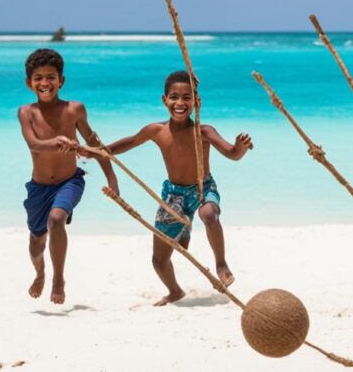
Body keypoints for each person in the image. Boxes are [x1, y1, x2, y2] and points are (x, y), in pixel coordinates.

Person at [89, 71, 252, 306]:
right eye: (174, 97)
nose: (180, 103)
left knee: (208, 214)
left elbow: (232, 154)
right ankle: (175, 290)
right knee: (159, 260)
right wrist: (97, 151)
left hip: (202, 188)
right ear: (164, 100)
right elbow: (130, 142)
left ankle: (221, 263)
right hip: (173, 195)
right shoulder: (156, 130)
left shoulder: (203, 132)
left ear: (196, 102)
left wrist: (240, 147)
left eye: (187, 97)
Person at [18, 48, 117, 305]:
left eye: (51, 77)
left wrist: (112, 180)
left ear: (61, 80)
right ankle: (40, 272)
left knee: (57, 219)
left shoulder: (75, 109)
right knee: (36, 245)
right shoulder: (26, 112)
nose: (45, 83)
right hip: (39, 188)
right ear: (29, 83)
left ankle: (58, 279)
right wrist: (57, 141)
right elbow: (34, 145)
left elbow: (95, 144)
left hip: (69, 181)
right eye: (38, 78)